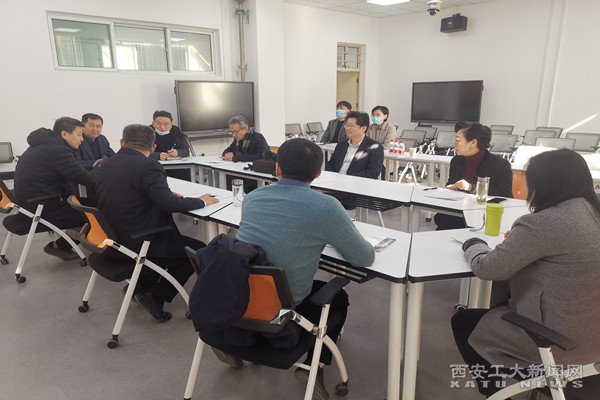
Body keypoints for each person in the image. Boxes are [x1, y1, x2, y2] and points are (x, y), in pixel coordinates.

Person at [219, 138, 375, 400]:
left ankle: (236, 339)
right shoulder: (327, 206)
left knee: (267, 284)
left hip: (241, 295)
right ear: (318, 173)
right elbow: (363, 258)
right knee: (338, 298)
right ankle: (314, 365)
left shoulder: (252, 198)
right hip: (287, 308)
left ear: (277, 168)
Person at [452, 149, 600, 398]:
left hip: (559, 344)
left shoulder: (543, 223)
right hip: (593, 340)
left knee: (463, 322)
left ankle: (495, 393)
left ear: (544, 184)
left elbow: (488, 268)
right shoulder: (592, 212)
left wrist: (474, 245)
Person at [95, 124, 219, 322]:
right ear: (153, 148)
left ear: (122, 142)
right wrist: (202, 201)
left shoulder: (106, 164)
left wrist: (162, 194)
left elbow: (127, 193)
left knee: (182, 248)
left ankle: (140, 286)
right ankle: (155, 296)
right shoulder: (149, 166)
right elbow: (168, 205)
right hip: (140, 239)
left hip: (114, 236)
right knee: (196, 251)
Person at [14, 117, 95, 260]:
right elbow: (85, 179)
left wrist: (94, 168)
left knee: (89, 204)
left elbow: (73, 168)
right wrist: (103, 170)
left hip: (31, 203)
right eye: (79, 134)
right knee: (97, 212)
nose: (82, 139)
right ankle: (61, 246)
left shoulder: (45, 145)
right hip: (42, 207)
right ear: (64, 134)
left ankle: (70, 240)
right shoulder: (57, 150)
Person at [434, 122, 513, 230]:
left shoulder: (499, 164)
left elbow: (506, 195)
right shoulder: (456, 161)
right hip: (455, 213)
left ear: (473, 142)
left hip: (484, 216)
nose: (454, 144)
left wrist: (471, 187)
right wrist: (451, 188)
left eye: (458, 140)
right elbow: (451, 184)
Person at [325, 111, 384, 179]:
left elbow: (373, 172)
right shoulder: (341, 144)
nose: (347, 128)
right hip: (336, 180)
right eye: (347, 125)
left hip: (357, 182)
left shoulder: (375, 147)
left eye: (352, 126)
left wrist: (348, 178)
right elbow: (330, 164)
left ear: (363, 128)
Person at [221, 115, 270, 192]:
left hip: (254, 175)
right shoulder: (238, 139)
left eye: (236, 132)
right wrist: (227, 154)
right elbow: (228, 150)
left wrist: (235, 158)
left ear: (246, 129)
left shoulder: (257, 138)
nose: (234, 135)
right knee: (228, 175)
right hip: (241, 171)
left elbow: (263, 156)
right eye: (232, 132)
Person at [150, 110, 191, 181]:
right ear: (153, 123)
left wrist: (177, 152)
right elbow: (141, 153)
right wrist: (158, 155)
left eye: (166, 124)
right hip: (155, 168)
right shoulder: (146, 134)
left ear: (171, 124)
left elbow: (186, 151)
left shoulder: (178, 134)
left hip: (177, 169)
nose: (162, 127)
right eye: (159, 124)